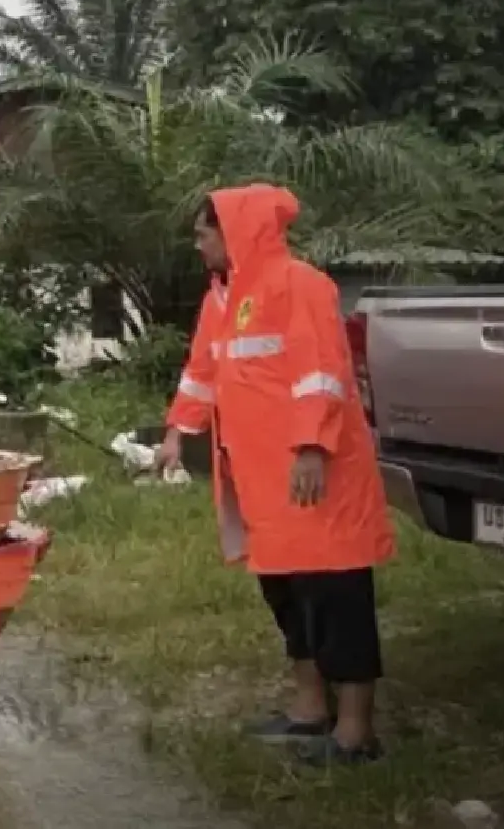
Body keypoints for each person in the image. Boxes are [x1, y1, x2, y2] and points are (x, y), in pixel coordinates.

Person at [158, 184, 395, 766]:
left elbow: (323, 371)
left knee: (337, 595)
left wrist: (312, 446)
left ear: (237, 232)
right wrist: (176, 430)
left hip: (315, 477)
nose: (198, 245)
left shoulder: (301, 285)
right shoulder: (222, 298)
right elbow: (203, 371)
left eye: (203, 233)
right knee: (287, 596)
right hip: (262, 482)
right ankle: (311, 711)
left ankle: (356, 734)